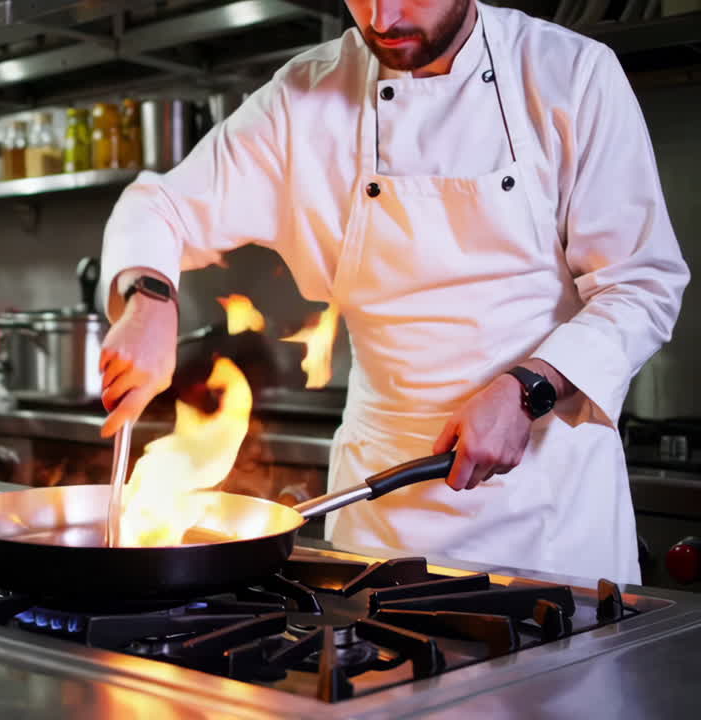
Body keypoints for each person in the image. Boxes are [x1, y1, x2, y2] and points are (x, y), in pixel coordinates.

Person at [97, 0, 689, 584]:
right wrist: (149, 299)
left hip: (547, 514)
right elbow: (163, 205)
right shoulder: (305, 96)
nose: (382, 19)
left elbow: (641, 285)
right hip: (380, 517)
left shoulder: (570, 74)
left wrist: (526, 389)